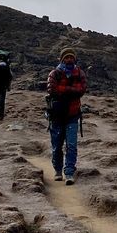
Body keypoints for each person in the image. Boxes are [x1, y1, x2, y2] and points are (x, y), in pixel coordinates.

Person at [46, 46, 87, 184]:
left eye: (71, 57)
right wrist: (71, 90)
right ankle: (58, 170)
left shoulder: (80, 73)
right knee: (57, 145)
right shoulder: (54, 73)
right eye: (66, 57)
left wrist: (64, 90)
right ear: (62, 59)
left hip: (73, 115)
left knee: (71, 145)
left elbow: (82, 90)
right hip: (57, 116)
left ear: (74, 59)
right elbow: (52, 89)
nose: (69, 59)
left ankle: (69, 172)